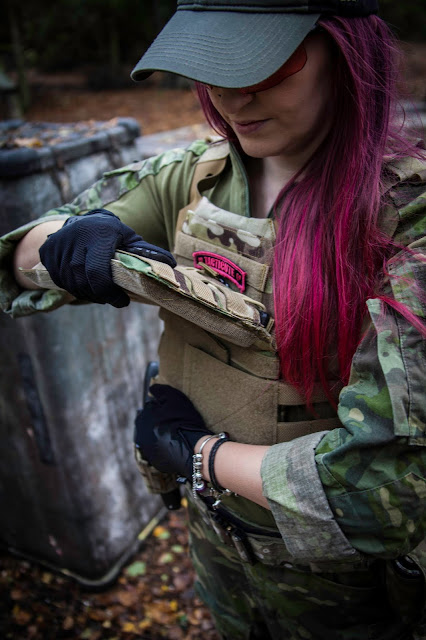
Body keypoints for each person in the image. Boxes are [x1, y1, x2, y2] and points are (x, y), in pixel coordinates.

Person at [1, 1, 425, 638]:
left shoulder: (407, 221)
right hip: (217, 547)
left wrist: (197, 454)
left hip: (339, 587)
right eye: (211, 66)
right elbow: (22, 255)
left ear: (345, 52)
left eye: (263, 67)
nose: (231, 97)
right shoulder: (195, 177)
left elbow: (389, 488)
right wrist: (69, 241)